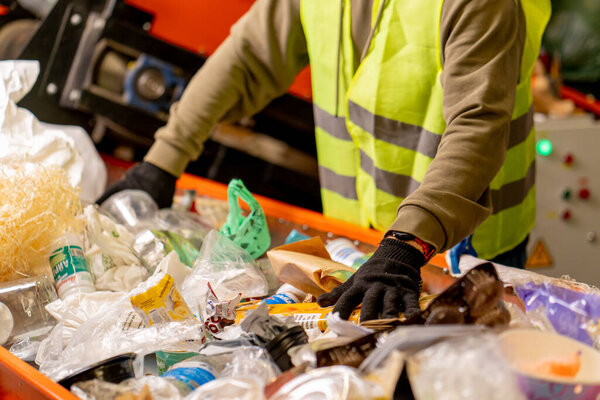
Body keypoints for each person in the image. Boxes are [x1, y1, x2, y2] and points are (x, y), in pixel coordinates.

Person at [98, 0, 551, 322]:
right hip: (364, 241)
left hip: (460, 246)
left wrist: (407, 244)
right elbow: (248, 57)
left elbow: (477, 125)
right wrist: (163, 159)